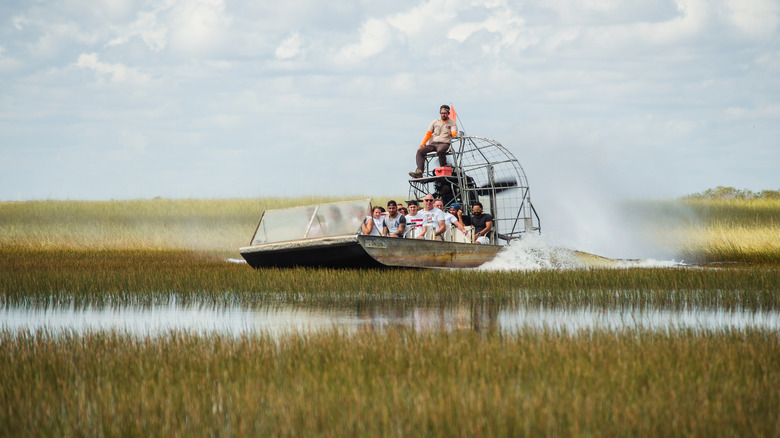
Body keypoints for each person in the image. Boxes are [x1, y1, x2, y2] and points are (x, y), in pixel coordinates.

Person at [409, 105, 458, 178]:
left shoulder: (452, 123)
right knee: (420, 151)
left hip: (444, 143)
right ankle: (419, 172)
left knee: (440, 151)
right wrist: (422, 145)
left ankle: (443, 170)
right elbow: (428, 134)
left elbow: (454, 133)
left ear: (448, 113)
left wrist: (451, 133)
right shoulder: (435, 122)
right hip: (434, 143)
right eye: (442, 113)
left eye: (445, 113)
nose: (443, 115)